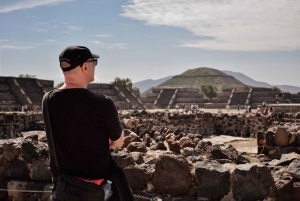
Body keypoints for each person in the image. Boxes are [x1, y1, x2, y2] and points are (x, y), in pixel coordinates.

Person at [42, 46, 133, 201]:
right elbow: (118, 143)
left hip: (64, 189)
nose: (95, 66)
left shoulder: (48, 100)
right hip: (97, 190)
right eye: (94, 62)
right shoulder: (104, 103)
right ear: (84, 66)